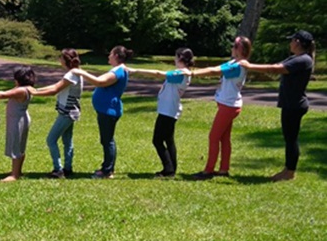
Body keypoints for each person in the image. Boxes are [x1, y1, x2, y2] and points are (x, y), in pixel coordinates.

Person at [239, 30, 315, 181]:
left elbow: (275, 69)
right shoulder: (296, 58)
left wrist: (249, 65)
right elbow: (276, 67)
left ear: (298, 42)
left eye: (292, 40)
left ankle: (290, 172)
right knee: (289, 138)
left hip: (294, 105)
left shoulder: (303, 60)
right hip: (290, 104)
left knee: (291, 139)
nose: (290, 43)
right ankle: (288, 169)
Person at [127, 48, 195, 178]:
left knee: (157, 140)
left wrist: (136, 70)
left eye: (176, 57)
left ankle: (168, 169)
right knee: (168, 140)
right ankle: (171, 169)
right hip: (169, 109)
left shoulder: (181, 73)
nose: (174, 59)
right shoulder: (181, 73)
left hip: (168, 111)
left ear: (180, 58)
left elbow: (158, 73)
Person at [192, 36, 252, 180]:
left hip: (229, 106)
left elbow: (214, 71)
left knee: (213, 136)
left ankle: (208, 170)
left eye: (234, 46)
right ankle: (224, 169)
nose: (231, 48)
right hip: (227, 104)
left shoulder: (239, 66)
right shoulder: (233, 62)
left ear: (240, 49)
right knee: (224, 138)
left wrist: (192, 73)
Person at [72, 45, 133, 179]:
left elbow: (100, 82)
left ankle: (107, 171)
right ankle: (107, 168)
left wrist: (81, 72)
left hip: (109, 111)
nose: (108, 56)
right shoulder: (118, 69)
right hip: (107, 110)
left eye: (111, 54)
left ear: (116, 56)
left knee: (107, 140)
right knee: (106, 140)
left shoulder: (118, 71)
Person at [31, 49, 83, 179]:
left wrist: (33, 93)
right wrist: (37, 89)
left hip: (67, 113)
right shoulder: (75, 73)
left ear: (65, 60)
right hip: (71, 112)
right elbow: (57, 85)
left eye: (60, 57)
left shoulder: (71, 75)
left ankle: (58, 169)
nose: (59, 59)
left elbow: (54, 90)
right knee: (67, 141)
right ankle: (68, 168)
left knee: (51, 140)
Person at [0, 66, 36, 182]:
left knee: (16, 146)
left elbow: (3, 95)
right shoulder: (26, 88)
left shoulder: (20, 90)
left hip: (18, 120)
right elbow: (4, 92)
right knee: (19, 146)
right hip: (19, 118)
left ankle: (14, 174)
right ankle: (17, 171)